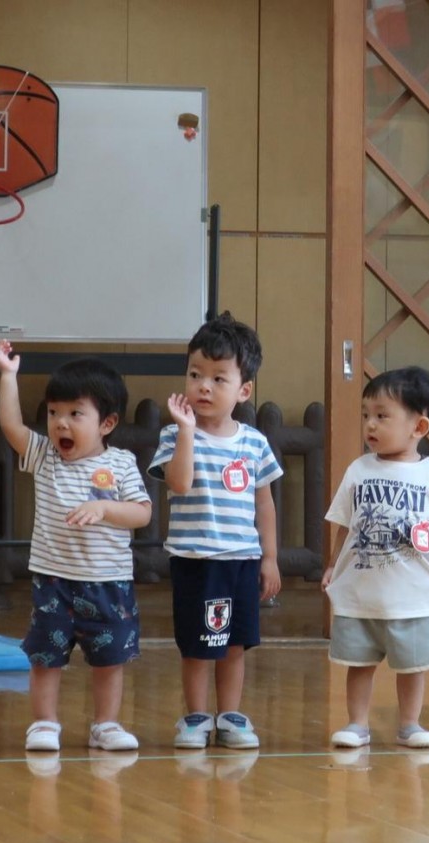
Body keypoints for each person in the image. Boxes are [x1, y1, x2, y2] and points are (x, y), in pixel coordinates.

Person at [0, 340, 151, 752]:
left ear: (107, 423)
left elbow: (142, 514)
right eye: (53, 413)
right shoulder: (44, 456)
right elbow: (11, 426)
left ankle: (107, 724)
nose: (61, 423)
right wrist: (8, 376)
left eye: (75, 414)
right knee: (46, 656)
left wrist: (105, 510)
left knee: (110, 659)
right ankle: (44, 723)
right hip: (54, 580)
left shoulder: (121, 464)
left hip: (108, 582)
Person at [149, 313, 282, 750]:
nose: (203, 386)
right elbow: (179, 484)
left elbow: (264, 502)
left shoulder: (254, 443)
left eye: (218, 378)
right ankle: (195, 717)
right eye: (195, 375)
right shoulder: (174, 434)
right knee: (196, 645)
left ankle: (231, 716)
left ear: (243, 390)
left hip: (240, 560)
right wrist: (187, 433)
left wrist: (269, 558)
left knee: (234, 644)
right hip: (194, 560)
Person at [322, 367, 429, 749]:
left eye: (382, 415)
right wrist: (331, 564)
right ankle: (357, 723)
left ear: (418, 427)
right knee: (360, 661)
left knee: (412, 663)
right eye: (366, 415)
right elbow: (343, 523)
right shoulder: (359, 469)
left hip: (412, 593)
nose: (370, 424)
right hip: (364, 591)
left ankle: (410, 724)